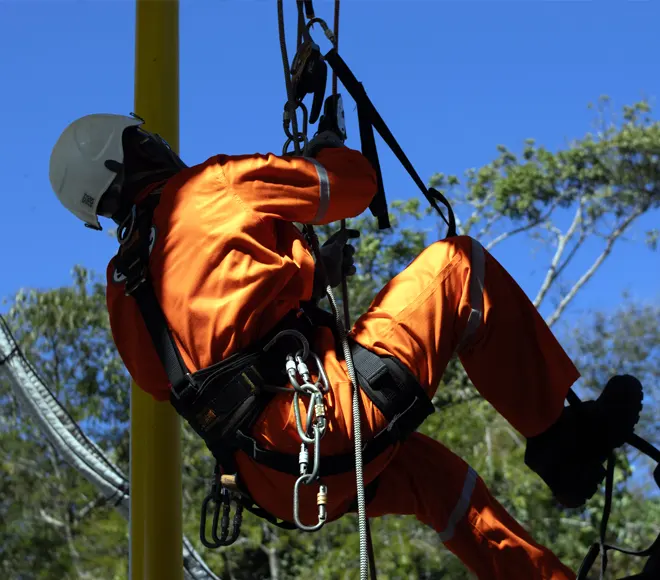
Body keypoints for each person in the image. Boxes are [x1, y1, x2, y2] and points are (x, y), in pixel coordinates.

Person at [49, 113, 643, 579]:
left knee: (438, 480)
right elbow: (351, 185)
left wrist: (309, 278)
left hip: (278, 479)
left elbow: (191, 369)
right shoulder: (209, 188)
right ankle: (563, 442)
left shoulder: (123, 289)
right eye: (145, 137)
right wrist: (319, 156)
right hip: (326, 423)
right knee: (458, 268)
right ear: (134, 150)